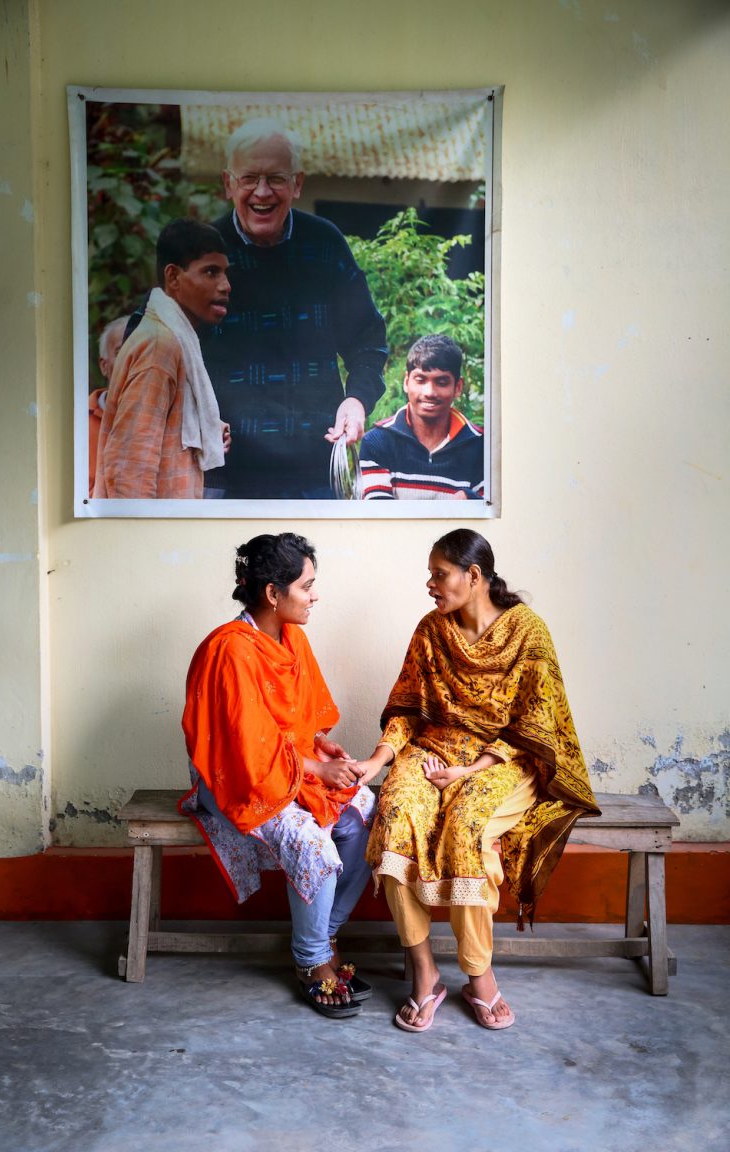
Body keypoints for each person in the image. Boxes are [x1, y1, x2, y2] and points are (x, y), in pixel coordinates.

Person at [352, 529, 599, 1032]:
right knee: (395, 817)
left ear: (474, 575)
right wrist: (377, 763)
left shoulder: (527, 632)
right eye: (430, 574)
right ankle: (424, 973)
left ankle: (478, 974)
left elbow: (536, 722)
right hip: (433, 750)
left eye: (438, 574)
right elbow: (407, 711)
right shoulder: (431, 630)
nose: (429, 584)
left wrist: (469, 771)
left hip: (503, 759)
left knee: (466, 825)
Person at [180, 533, 376, 1018]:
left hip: (287, 767)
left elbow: (297, 726)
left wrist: (321, 746)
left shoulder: (293, 638)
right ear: (273, 593)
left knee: (367, 812)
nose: (315, 596)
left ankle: (325, 935)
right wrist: (318, 768)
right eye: (306, 586)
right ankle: (310, 961)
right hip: (233, 778)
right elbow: (244, 750)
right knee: (313, 844)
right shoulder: (229, 650)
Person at [199, 118, 388, 499]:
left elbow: (367, 341)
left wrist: (356, 400)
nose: (262, 192)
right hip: (226, 474)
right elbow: (157, 336)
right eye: (249, 178)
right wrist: (194, 417)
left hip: (317, 470)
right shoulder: (202, 250)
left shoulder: (325, 243)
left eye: (276, 178)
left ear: (297, 184)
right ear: (228, 184)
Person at [94, 219, 231, 499]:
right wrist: (145, 530)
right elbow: (130, 470)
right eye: (210, 272)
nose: (225, 286)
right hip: (152, 524)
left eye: (225, 273)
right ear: (173, 277)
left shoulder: (170, 338)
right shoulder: (159, 347)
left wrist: (204, 426)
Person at [359, 334, 484, 500]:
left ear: (458, 387)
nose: (429, 392)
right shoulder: (377, 442)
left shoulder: (480, 445)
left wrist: (469, 499)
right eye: (420, 380)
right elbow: (379, 513)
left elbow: (493, 509)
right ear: (406, 382)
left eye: (441, 382)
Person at [88, 316, 128, 495]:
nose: (134, 360)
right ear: (104, 366)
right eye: (122, 352)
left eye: (143, 352)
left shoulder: (172, 419)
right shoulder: (77, 420)